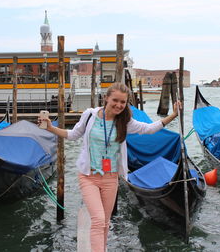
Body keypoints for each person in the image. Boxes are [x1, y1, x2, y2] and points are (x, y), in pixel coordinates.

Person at [38, 82, 181, 252]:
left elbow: (148, 129)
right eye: (115, 100)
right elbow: (72, 135)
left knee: (105, 222)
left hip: (111, 178)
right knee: (98, 220)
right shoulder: (89, 115)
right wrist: (51, 128)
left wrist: (173, 115)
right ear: (106, 98)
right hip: (88, 177)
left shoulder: (125, 121)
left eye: (123, 102)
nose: (119, 105)